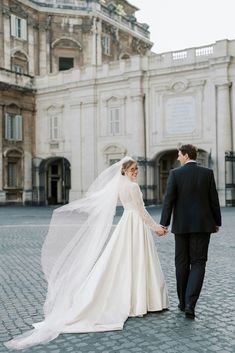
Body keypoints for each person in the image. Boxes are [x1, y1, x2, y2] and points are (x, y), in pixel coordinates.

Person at [5, 156, 169, 350]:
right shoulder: (133, 187)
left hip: (127, 224)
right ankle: (141, 300)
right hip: (135, 225)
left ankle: (138, 299)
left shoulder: (120, 186)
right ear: (124, 170)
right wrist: (156, 227)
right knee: (137, 261)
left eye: (136, 169)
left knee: (126, 261)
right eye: (132, 169)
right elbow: (141, 211)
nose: (135, 172)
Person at [160, 144, 221, 319]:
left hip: (181, 227)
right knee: (199, 263)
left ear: (186, 155)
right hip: (203, 226)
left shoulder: (175, 174)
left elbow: (168, 201)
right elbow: (214, 200)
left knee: (181, 263)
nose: (178, 157)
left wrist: (164, 224)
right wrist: (216, 222)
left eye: (179, 155)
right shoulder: (207, 173)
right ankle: (190, 304)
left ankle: (181, 302)